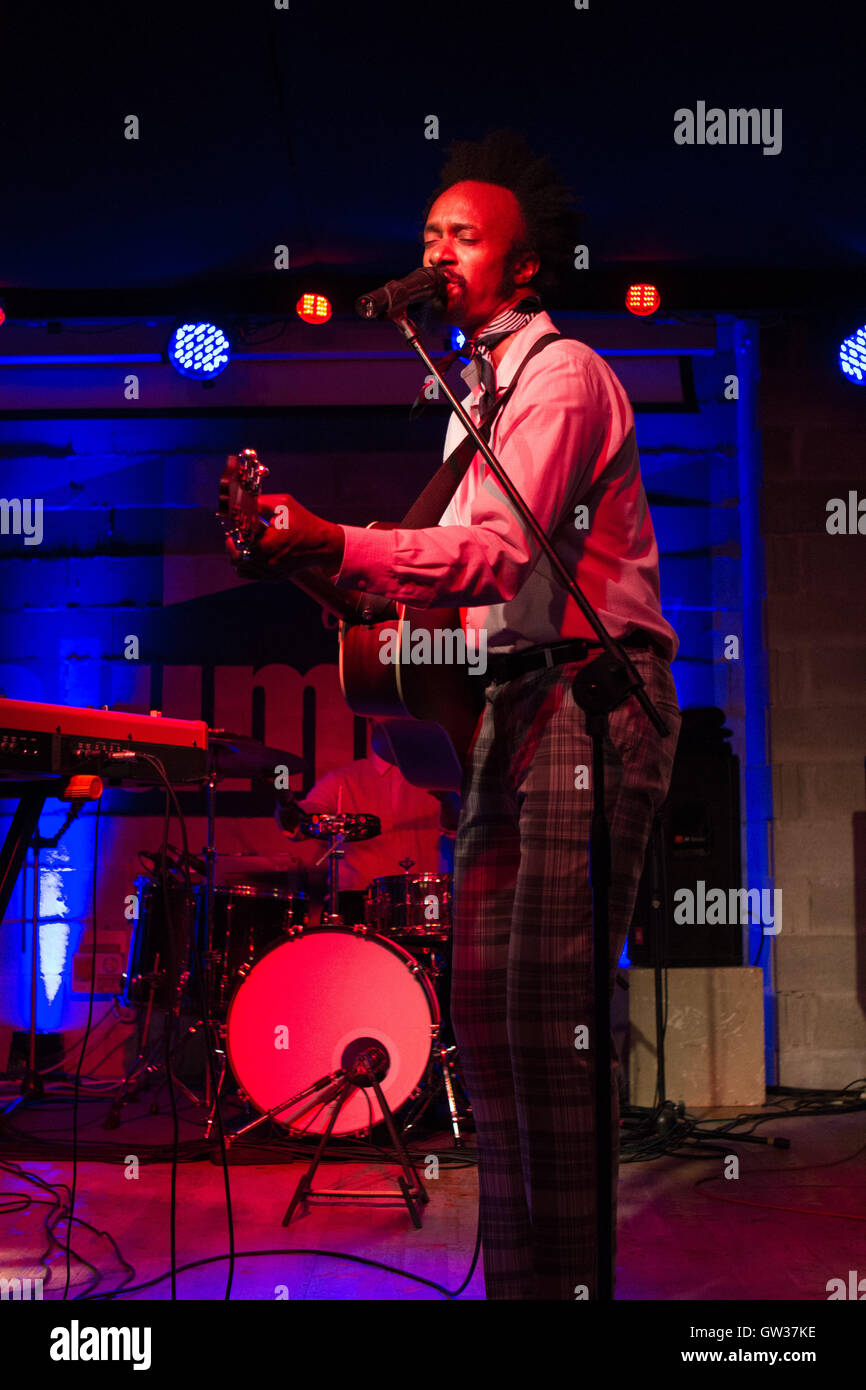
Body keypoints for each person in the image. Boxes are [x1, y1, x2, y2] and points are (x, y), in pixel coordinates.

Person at [228, 130, 682, 1301]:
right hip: (509, 703)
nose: (435, 252)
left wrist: (342, 539)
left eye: (461, 238)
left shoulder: (563, 377)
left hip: (589, 693)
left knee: (549, 1016)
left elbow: (493, 555)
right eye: (427, 234)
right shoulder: (468, 400)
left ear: (519, 271)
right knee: (481, 1020)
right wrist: (300, 554)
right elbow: (419, 604)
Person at [274, 721, 457, 914]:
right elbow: (304, 821)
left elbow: (461, 831)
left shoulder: (439, 776)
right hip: (356, 905)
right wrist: (286, 805)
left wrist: (451, 802)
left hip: (428, 902)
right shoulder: (342, 780)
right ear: (371, 721)